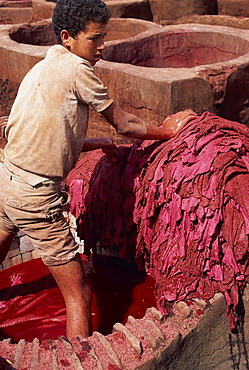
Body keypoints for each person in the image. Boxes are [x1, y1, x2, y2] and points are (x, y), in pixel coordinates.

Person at [0, 0, 196, 340]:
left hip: (7, 181)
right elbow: (126, 123)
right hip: (35, 196)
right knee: (78, 291)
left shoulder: (45, 65)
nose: (102, 46)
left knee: (2, 241)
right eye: (95, 38)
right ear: (68, 37)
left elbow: (47, 134)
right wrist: (170, 131)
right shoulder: (78, 70)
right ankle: (82, 356)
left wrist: (97, 140)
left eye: (103, 36)